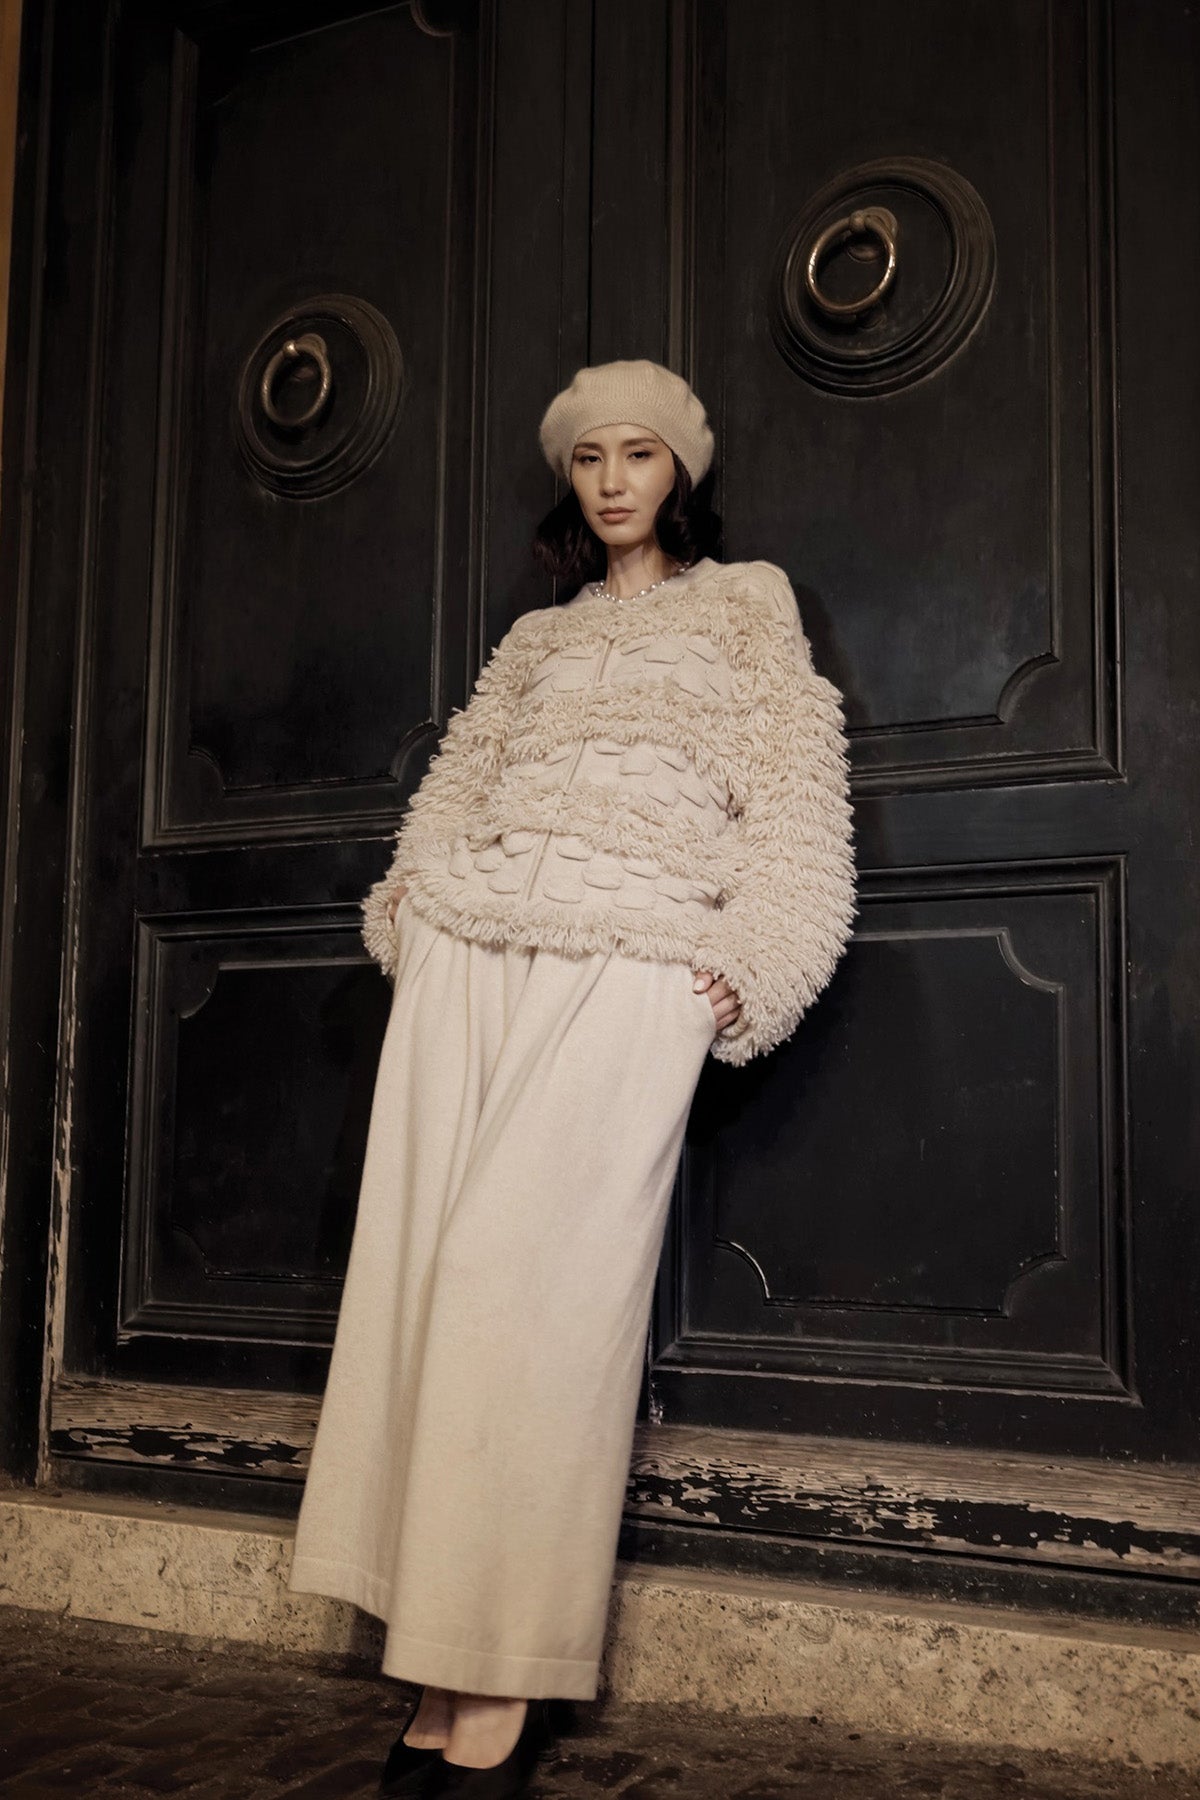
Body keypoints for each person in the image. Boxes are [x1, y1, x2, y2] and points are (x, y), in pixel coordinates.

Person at [286, 359, 858, 1798]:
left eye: (640, 454)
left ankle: (504, 1675)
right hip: (471, 957)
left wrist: (757, 962)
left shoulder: (748, 604)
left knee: (533, 1307)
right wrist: (412, 911)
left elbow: (799, 796)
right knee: (427, 1290)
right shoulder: (536, 640)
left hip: (629, 958)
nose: (613, 480)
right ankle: (439, 1665)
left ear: (681, 471)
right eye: (590, 457)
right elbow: (459, 783)